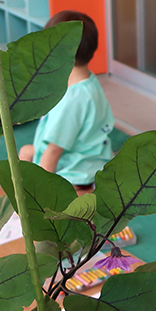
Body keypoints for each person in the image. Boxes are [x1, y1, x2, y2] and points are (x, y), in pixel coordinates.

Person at [19, 11, 113, 193]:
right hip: (90, 159)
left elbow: (54, 152)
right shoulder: (89, 82)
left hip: (76, 173)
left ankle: (79, 192)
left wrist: (40, 194)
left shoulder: (72, 99)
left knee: (33, 185)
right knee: (26, 151)